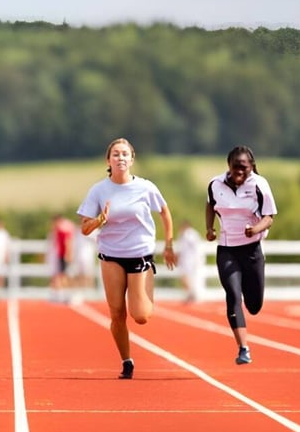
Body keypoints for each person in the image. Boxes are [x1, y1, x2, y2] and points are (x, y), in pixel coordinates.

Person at [77, 138, 176, 379]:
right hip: (111, 255)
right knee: (117, 313)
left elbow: (164, 212)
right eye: (115, 154)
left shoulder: (145, 187)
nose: (120, 158)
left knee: (141, 316)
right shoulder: (99, 190)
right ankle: (127, 361)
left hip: (139, 253)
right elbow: (84, 228)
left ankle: (146, 286)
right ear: (108, 160)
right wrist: (101, 219)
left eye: (124, 154)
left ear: (132, 159)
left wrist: (169, 244)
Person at [206, 145, 277, 365]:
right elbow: (210, 205)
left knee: (254, 305)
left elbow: (269, 216)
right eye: (235, 167)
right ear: (228, 165)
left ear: (251, 167)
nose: (239, 172)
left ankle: (250, 299)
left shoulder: (259, 184)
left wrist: (256, 229)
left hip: (252, 250)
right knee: (233, 295)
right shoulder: (215, 184)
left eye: (243, 168)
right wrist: (209, 228)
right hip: (227, 249)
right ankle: (243, 348)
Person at [47, 214, 76, 301]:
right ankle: (61, 294)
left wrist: (68, 254)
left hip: (64, 255)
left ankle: (66, 294)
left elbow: (68, 242)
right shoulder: (58, 230)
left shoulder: (63, 230)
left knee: (64, 275)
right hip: (60, 255)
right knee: (61, 274)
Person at [175, 220, 203, 303]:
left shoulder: (191, 234)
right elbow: (181, 248)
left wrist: (197, 259)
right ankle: (190, 293)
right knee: (184, 277)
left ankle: (192, 294)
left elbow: (197, 248)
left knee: (189, 277)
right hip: (184, 260)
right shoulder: (182, 235)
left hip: (191, 260)